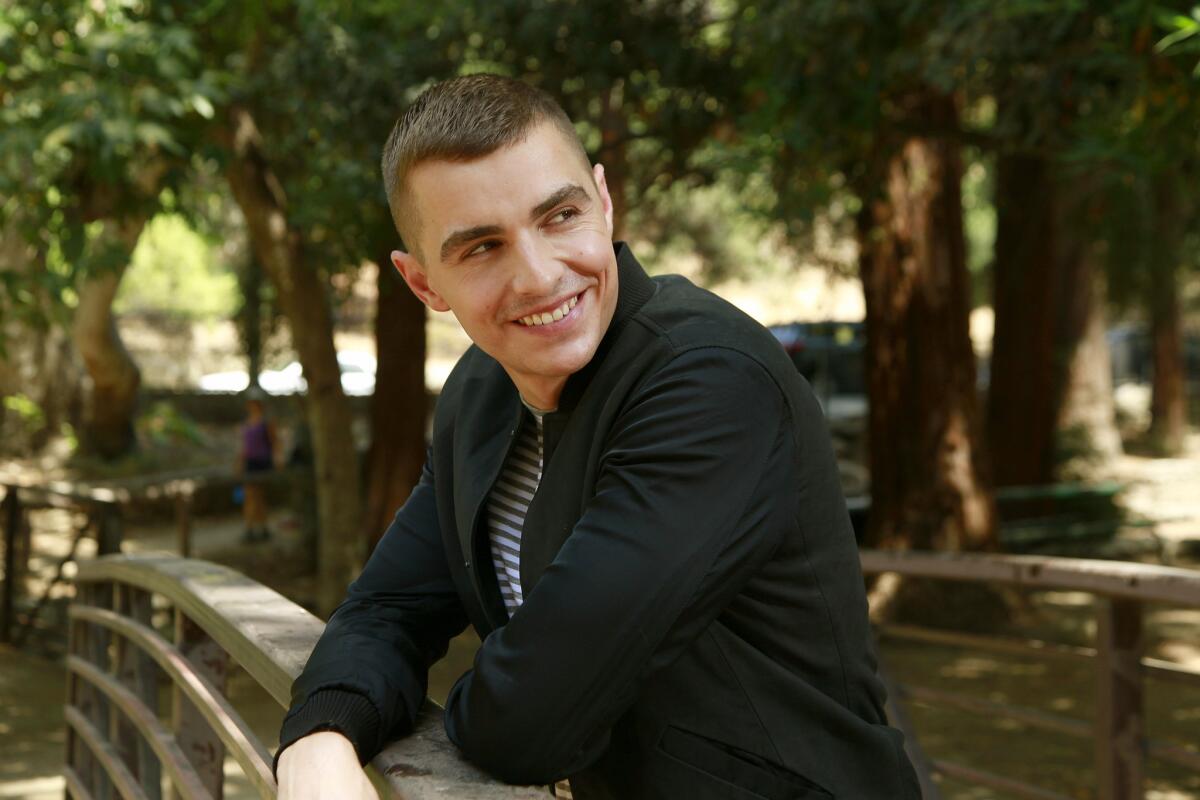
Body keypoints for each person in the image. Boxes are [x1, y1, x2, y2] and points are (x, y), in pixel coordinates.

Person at [274, 74, 920, 799]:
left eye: (560, 216)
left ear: (604, 203)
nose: (541, 275)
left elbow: (530, 722)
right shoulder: (480, 397)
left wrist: (466, 704)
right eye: (482, 247)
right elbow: (390, 607)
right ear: (424, 285)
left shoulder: (709, 383)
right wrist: (320, 740)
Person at [237, 389, 277, 543]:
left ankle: (261, 527)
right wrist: (240, 462)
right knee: (249, 496)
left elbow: (274, 442)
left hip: (262, 462)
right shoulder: (247, 422)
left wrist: (277, 459)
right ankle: (250, 528)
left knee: (259, 496)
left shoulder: (266, 422)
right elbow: (244, 446)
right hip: (250, 462)